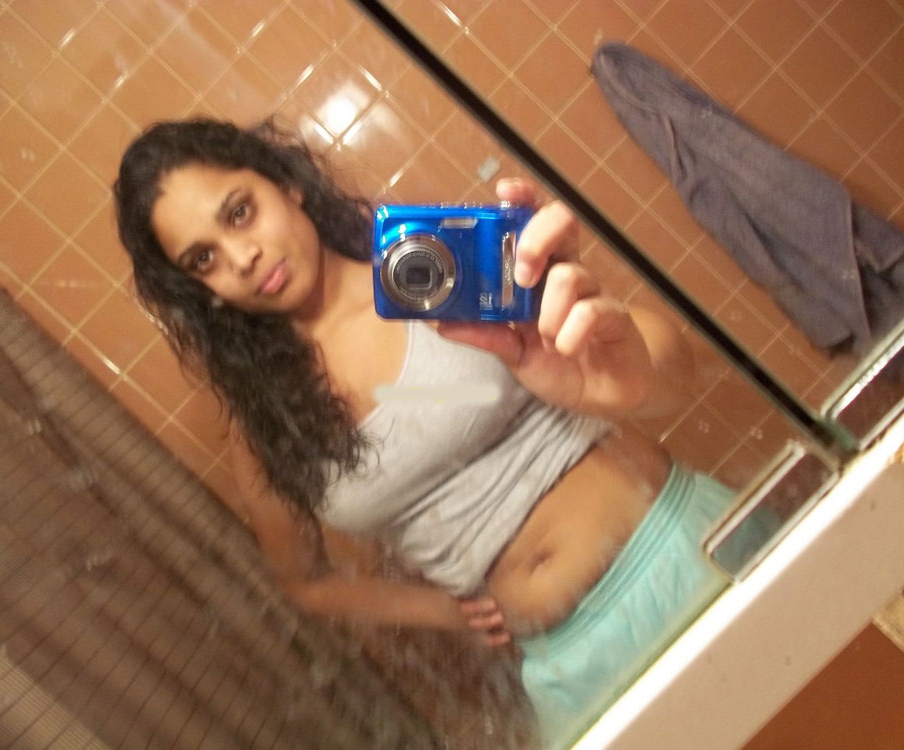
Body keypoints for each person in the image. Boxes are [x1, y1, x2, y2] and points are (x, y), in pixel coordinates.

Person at [113, 117, 739, 746]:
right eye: (203, 259)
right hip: (565, 667)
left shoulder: (435, 265)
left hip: (683, 551)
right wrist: (443, 610)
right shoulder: (267, 424)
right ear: (199, 291)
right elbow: (303, 582)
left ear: (286, 184)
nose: (241, 257)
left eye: (240, 213)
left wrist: (626, 378)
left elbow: (668, 367)